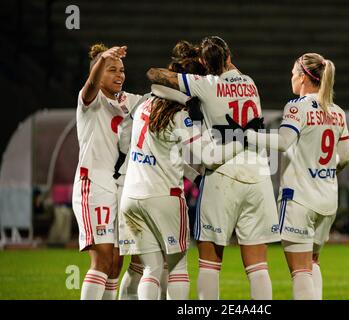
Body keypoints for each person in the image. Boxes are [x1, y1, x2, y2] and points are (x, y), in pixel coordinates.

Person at [147, 36, 280, 300]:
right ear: (230, 57)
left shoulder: (205, 84)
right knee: (257, 265)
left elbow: (154, 76)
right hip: (259, 174)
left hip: (223, 175)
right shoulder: (250, 82)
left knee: (209, 262)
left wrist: (186, 93)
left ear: (204, 64)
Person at [119, 42, 244, 300]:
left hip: (131, 196)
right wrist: (241, 142)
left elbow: (155, 154)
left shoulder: (144, 106)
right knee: (177, 267)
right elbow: (209, 157)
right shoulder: (179, 115)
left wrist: (194, 177)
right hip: (164, 197)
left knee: (151, 268)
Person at [225, 53, 349, 299]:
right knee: (312, 262)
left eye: (294, 73)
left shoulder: (297, 106)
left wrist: (245, 135)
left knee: (300, 270)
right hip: (327, 199)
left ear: (303, 77)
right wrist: (322, 173)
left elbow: (283, 142)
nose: (291, 77)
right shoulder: (338, 111)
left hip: (299, 199)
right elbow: (344, 157)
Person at [71, 44, 142, 300]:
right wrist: (102, 58)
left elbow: (153, 102)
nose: (119, 75)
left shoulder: (126, 101)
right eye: (112, 70)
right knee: (101, 259)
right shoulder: (90, 101)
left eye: (121, 70)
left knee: (114, 262)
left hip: (113, 187)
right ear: (99, 73)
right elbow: (90, 85)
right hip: (91, 184)